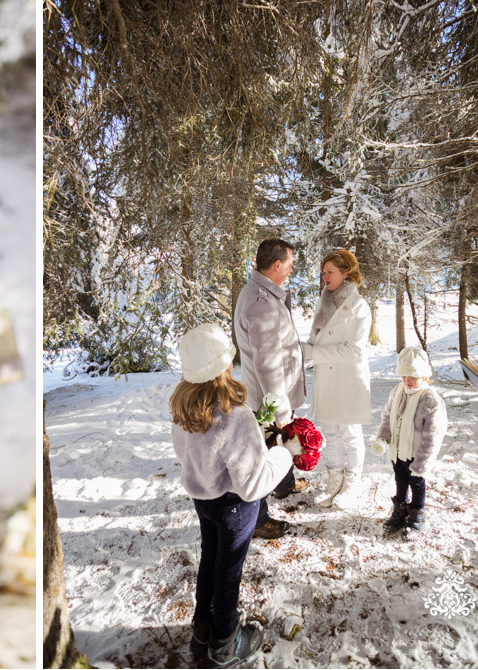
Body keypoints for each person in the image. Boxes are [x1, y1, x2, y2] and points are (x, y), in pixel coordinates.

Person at [170, 324, 301, 668]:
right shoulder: (234, 417)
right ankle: (226, 641)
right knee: (228, 572)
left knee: (209, 562)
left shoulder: (185, 410)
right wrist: (285, 453)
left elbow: (188, 455)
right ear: (224, 367)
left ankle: (203, 628)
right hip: (234, 509)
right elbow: (254, 484)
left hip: (204, 502)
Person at [233, 237, 308, 539]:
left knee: (277, 446)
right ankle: (259, 519)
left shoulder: (261, 292)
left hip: (271, 395)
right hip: (267, 400)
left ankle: (284, 483)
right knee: (263, 455)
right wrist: (281, 411)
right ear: (277, 265)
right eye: (289, 264)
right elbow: (267, 364)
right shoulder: (261, 304)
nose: (291, 270)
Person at [301, 250, 372, 509]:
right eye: (323, 272)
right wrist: (304, 349)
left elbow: (354, 349)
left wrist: (313, 352)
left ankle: (352, 483)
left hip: (348, 378)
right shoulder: (325, 301)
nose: (325, 276)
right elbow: (317, 337)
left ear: (347, 273)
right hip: (326, 376)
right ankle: (335, 480)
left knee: (350, 432)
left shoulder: (358, 306)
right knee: (330, 430)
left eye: (330, 271)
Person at [372, 347, 447, 540]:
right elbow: (388, 416)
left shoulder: (430, 400)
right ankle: (400, 510)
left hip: (416, 454)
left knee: (417, 483)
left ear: (424, 375)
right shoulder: (397, 391)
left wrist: (422, 461)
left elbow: (433, 434)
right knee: (400, 479)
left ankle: (416, 515)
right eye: (404, 375)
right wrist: (383, 437)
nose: (408, 381)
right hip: (398, 451)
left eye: (413, 376)